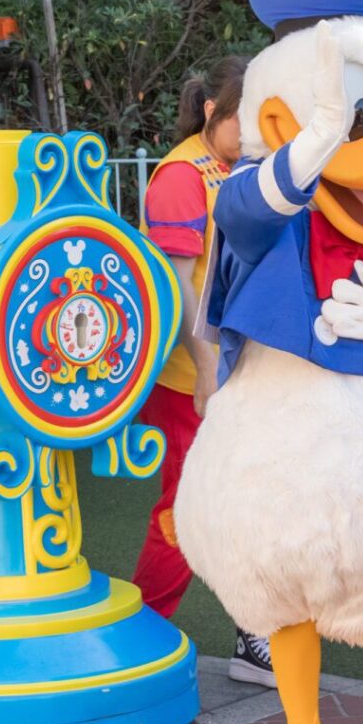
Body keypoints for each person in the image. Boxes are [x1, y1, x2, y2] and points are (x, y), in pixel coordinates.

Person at [131, 55, 276, 688]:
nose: (256, 130)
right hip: (189, 378)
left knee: (252, 502)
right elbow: (174, 285)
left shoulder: (242, 169)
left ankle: (253, 634)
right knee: (183, 510)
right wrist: (207, 366)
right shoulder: (179, 176)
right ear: (213, 108)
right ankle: (142, 631)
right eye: (245, 115)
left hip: (242, 371)